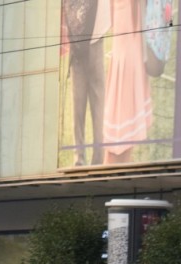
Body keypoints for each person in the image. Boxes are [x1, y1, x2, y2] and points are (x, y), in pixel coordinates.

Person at [102, 0, 153, 164]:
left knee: (117, 145)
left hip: (126, 63)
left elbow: (107, 21)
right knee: (121, 144)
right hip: (131, 62)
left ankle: (110, 183)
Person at [62, 0, 105, 166]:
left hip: (90, 43)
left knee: (92, 105)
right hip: (82, 48)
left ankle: (87, 158)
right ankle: (86, 158)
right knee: (86, 105)